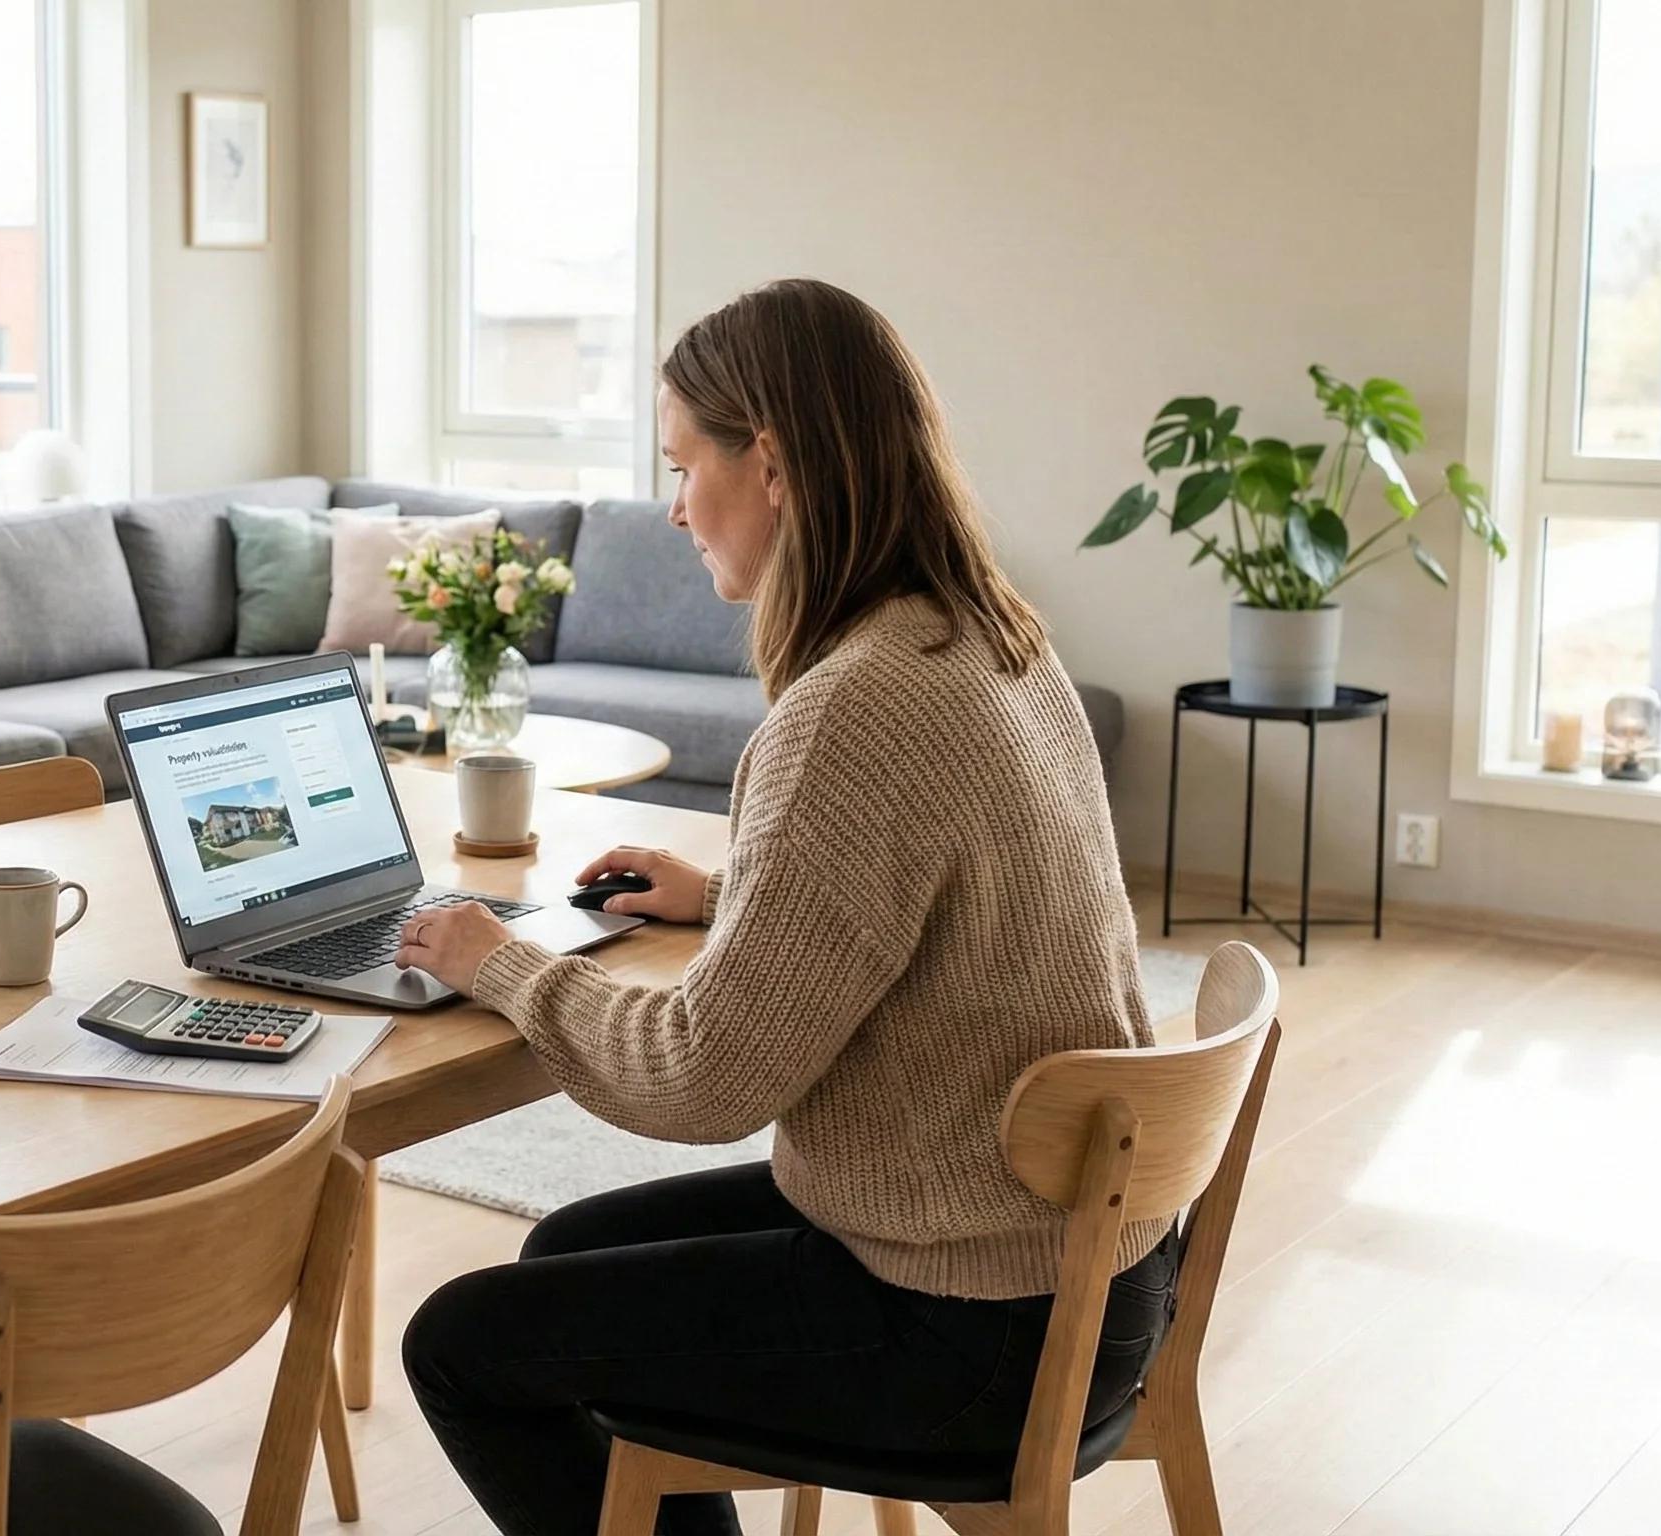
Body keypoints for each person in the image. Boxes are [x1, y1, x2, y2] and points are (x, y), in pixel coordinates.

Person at [392, 278, 1176, 1536]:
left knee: (460, 1343)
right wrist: (729, 897)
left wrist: (501, 963)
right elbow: (965, 907)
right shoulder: (990, 638)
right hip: (1090, 1272)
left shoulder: (854, 708)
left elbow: (702, 1081)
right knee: (563, 1260)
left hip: (970, 1328)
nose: (671, 506)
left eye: (681, 466)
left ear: (767, 465)